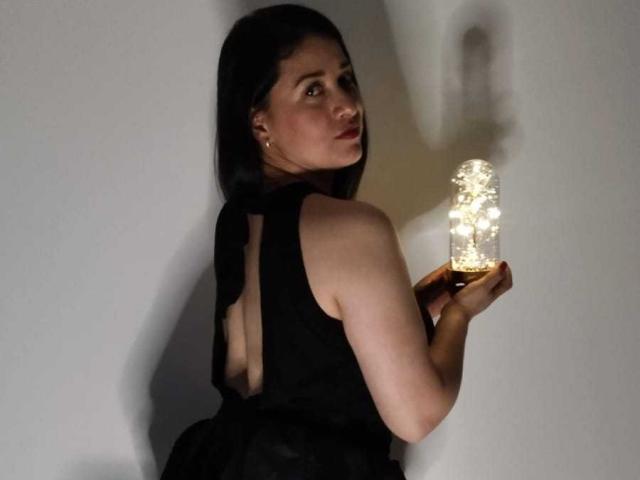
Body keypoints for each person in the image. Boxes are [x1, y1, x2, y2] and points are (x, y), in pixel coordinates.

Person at [160, 4, 513, 479]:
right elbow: (416, 414)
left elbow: (306, 357)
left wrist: (422, 303)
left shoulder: (239, 222)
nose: (348, 105)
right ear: (259, 123)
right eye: (313, 90)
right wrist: (459, 315)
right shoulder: (354, 229)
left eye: (345, 80)